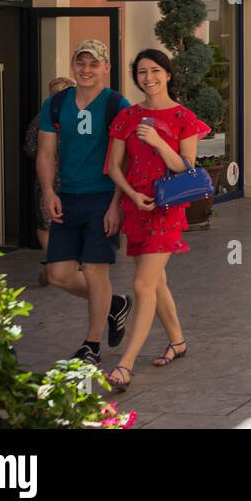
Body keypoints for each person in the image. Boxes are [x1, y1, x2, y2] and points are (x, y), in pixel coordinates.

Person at [104, 49, 209, 392]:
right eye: (141, 72)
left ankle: (126, 363)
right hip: (137, 208)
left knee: (142, 284)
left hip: (167, 210)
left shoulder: (183, 117)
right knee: (157, 281)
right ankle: (177, 340)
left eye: (155, 71)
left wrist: (160, 143)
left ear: (168, 74)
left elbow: (186, 166)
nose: (148, 78)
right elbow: (114, 168)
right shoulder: (126, 116)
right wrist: (126, 199)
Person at [40, 42, 133, 367]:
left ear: (105, 67)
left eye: (94, 64)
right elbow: (46, 153)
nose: (86, 69)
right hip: (67, 198)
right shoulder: (54, 104)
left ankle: (91, 344)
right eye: (80, 63)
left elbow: (125, 160)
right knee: (59, 275)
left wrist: (116, 204)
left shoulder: (116, 104)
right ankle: (115, 303)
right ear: (73, 66)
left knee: (95, 272)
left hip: (102, 197)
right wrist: (48, 192)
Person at [25, 76, 73, 281]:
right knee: (49, 220)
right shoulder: (44, 118)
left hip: (61, 177)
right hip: (53, 177)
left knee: (47, 222)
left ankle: (55, 263)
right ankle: (56, 263)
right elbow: (33, 148)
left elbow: (31, 147)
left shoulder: (42, 118)